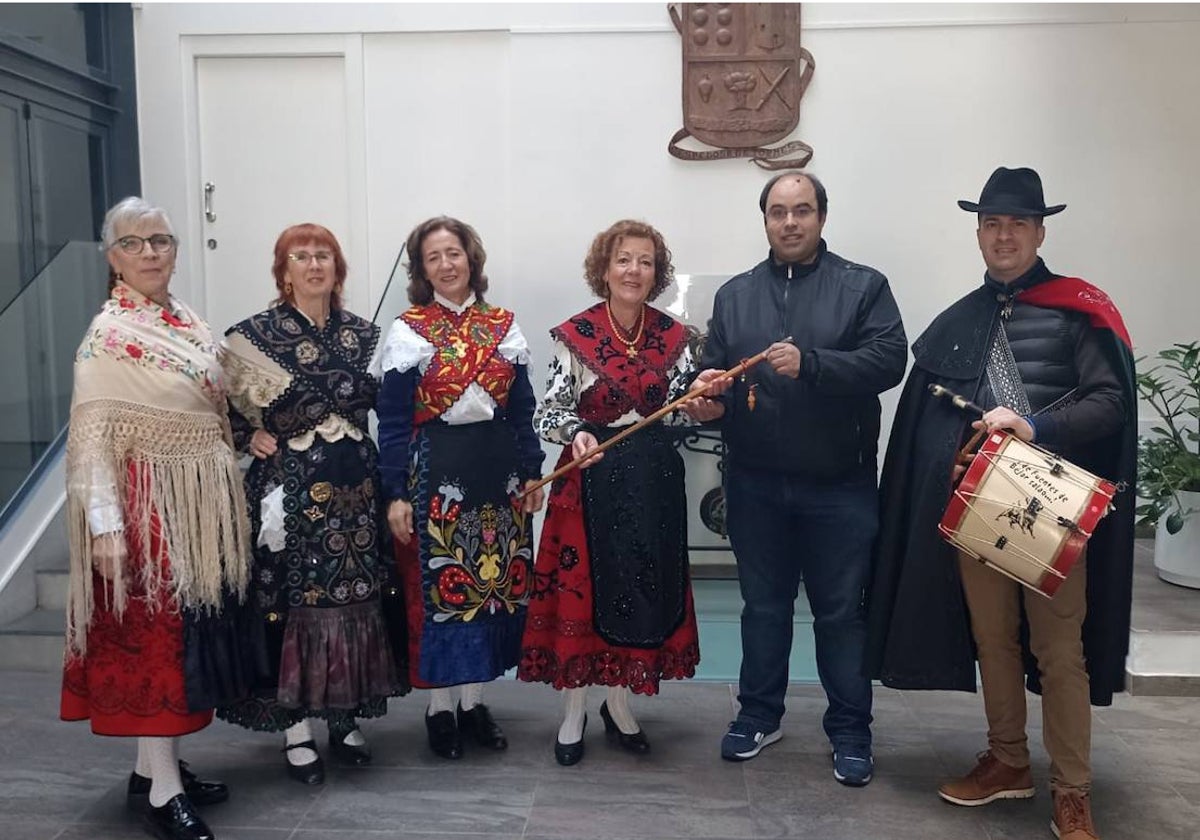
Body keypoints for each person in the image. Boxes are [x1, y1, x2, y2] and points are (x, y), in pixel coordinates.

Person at [863, 167, 1135, 840]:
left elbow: (1109, 404)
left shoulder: (1080, 310)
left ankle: (1071, 790)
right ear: (978, 233)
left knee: (1060, 651)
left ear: (1040, 231)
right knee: (993, 641)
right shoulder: (957, 321)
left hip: (1052, 511)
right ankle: (1008, 762)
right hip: (978, 509)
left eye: (1017, 223)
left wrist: (1034, 427)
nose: (1003, 235)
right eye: (991, 223)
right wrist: (952, 452)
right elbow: (929, 429)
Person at [687, 172, 907, 786]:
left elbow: (890, 359)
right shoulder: (735, 296)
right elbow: (717, 373)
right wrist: (708, 398)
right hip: (755, 485)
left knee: (840, 615)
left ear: (821, 218)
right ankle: (758, 715)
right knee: (763, 609)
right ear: (765, 221)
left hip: (840, 487)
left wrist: (812, 364)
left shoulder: (864, 287)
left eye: (801, 211)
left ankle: (849, 732)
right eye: (778, 212)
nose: (790, 222)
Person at [61, 197, 254, 840]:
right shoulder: (107, 337)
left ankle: (153, 774)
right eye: (134, 243)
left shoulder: (188, 323)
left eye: (161, 241)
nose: (149, 253)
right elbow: (92, 441)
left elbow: (221, 397)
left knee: (186, 640)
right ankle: (162, 796)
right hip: (145, 509)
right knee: (158, 646)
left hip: (194, 507)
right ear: (113, 258)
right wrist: (108, 528)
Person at [215, 223, 408, 784]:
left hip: (356, 493)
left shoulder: (365, 337)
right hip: (288, 495)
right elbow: (215, 405)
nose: (314, 265)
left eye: (323, 255)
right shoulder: (252, 338)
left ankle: (343, 715)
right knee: (291, 602)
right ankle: (295, 725)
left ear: (337, 267)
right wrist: (245, 434)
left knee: (354, 598)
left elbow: (392, 411)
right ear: (284, 270)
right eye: (301, 256)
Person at [517, 220, 702, 766]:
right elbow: (548, 410)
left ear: (656, 273)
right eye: (624, 260)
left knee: (639, 596)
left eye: (645, 262)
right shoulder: (575, 336)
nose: (634, 271)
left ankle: (619, 706)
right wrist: (573, 431)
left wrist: (702, 399)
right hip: (587, 481)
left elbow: (690, 403)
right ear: (604, 268)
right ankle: (574, 711)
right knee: (586, 597)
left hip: (652, 485)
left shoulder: (676, 338)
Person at [374, 216, 545, 760]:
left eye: (454, 253)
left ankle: (473, 703)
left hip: (500, 476)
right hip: (438, 474)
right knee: (445, 590)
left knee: (492, 592)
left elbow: (522, 410)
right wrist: (395, 491)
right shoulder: (408, 331)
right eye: (433, 257)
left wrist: (534, 468)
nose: (447, 265)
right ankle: (440, 709)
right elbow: (395, 420)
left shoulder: (504, 326)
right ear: (422, 271)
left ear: (471, 258)